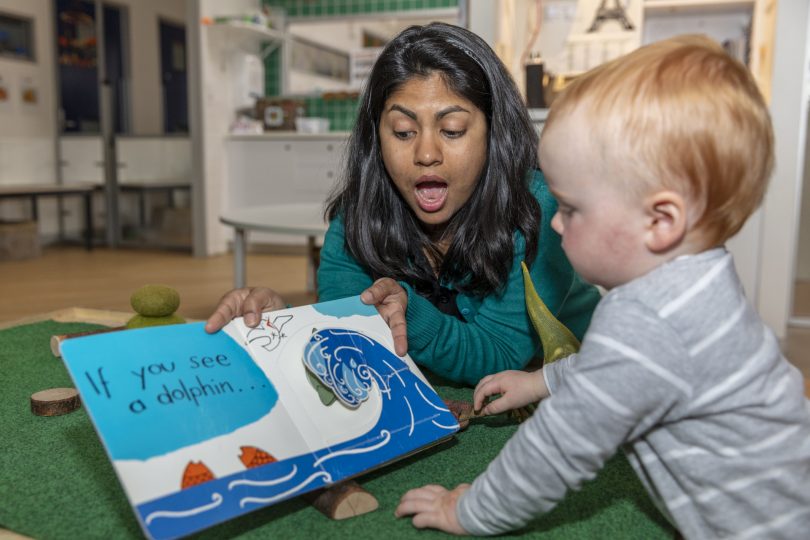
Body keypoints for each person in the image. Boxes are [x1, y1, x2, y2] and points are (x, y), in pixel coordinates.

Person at [395, 35, 810, 537]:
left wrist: (466, 511)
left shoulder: (645, 320)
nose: (556, 225)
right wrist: (541, 382)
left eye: (572, 209)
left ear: (660, 221)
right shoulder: (697, 286)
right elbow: (617, 365)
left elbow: (557, 447)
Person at [205, 22, 600, 385]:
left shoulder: (539, 209)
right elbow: (346, 332)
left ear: (494, 132)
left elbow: (500, 355)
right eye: (403, 131)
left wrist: (404, 312)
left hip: (577, 386)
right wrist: (285, 322)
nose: (426, 152)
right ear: (376, 138)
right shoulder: (358, 216)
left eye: (452, 129)